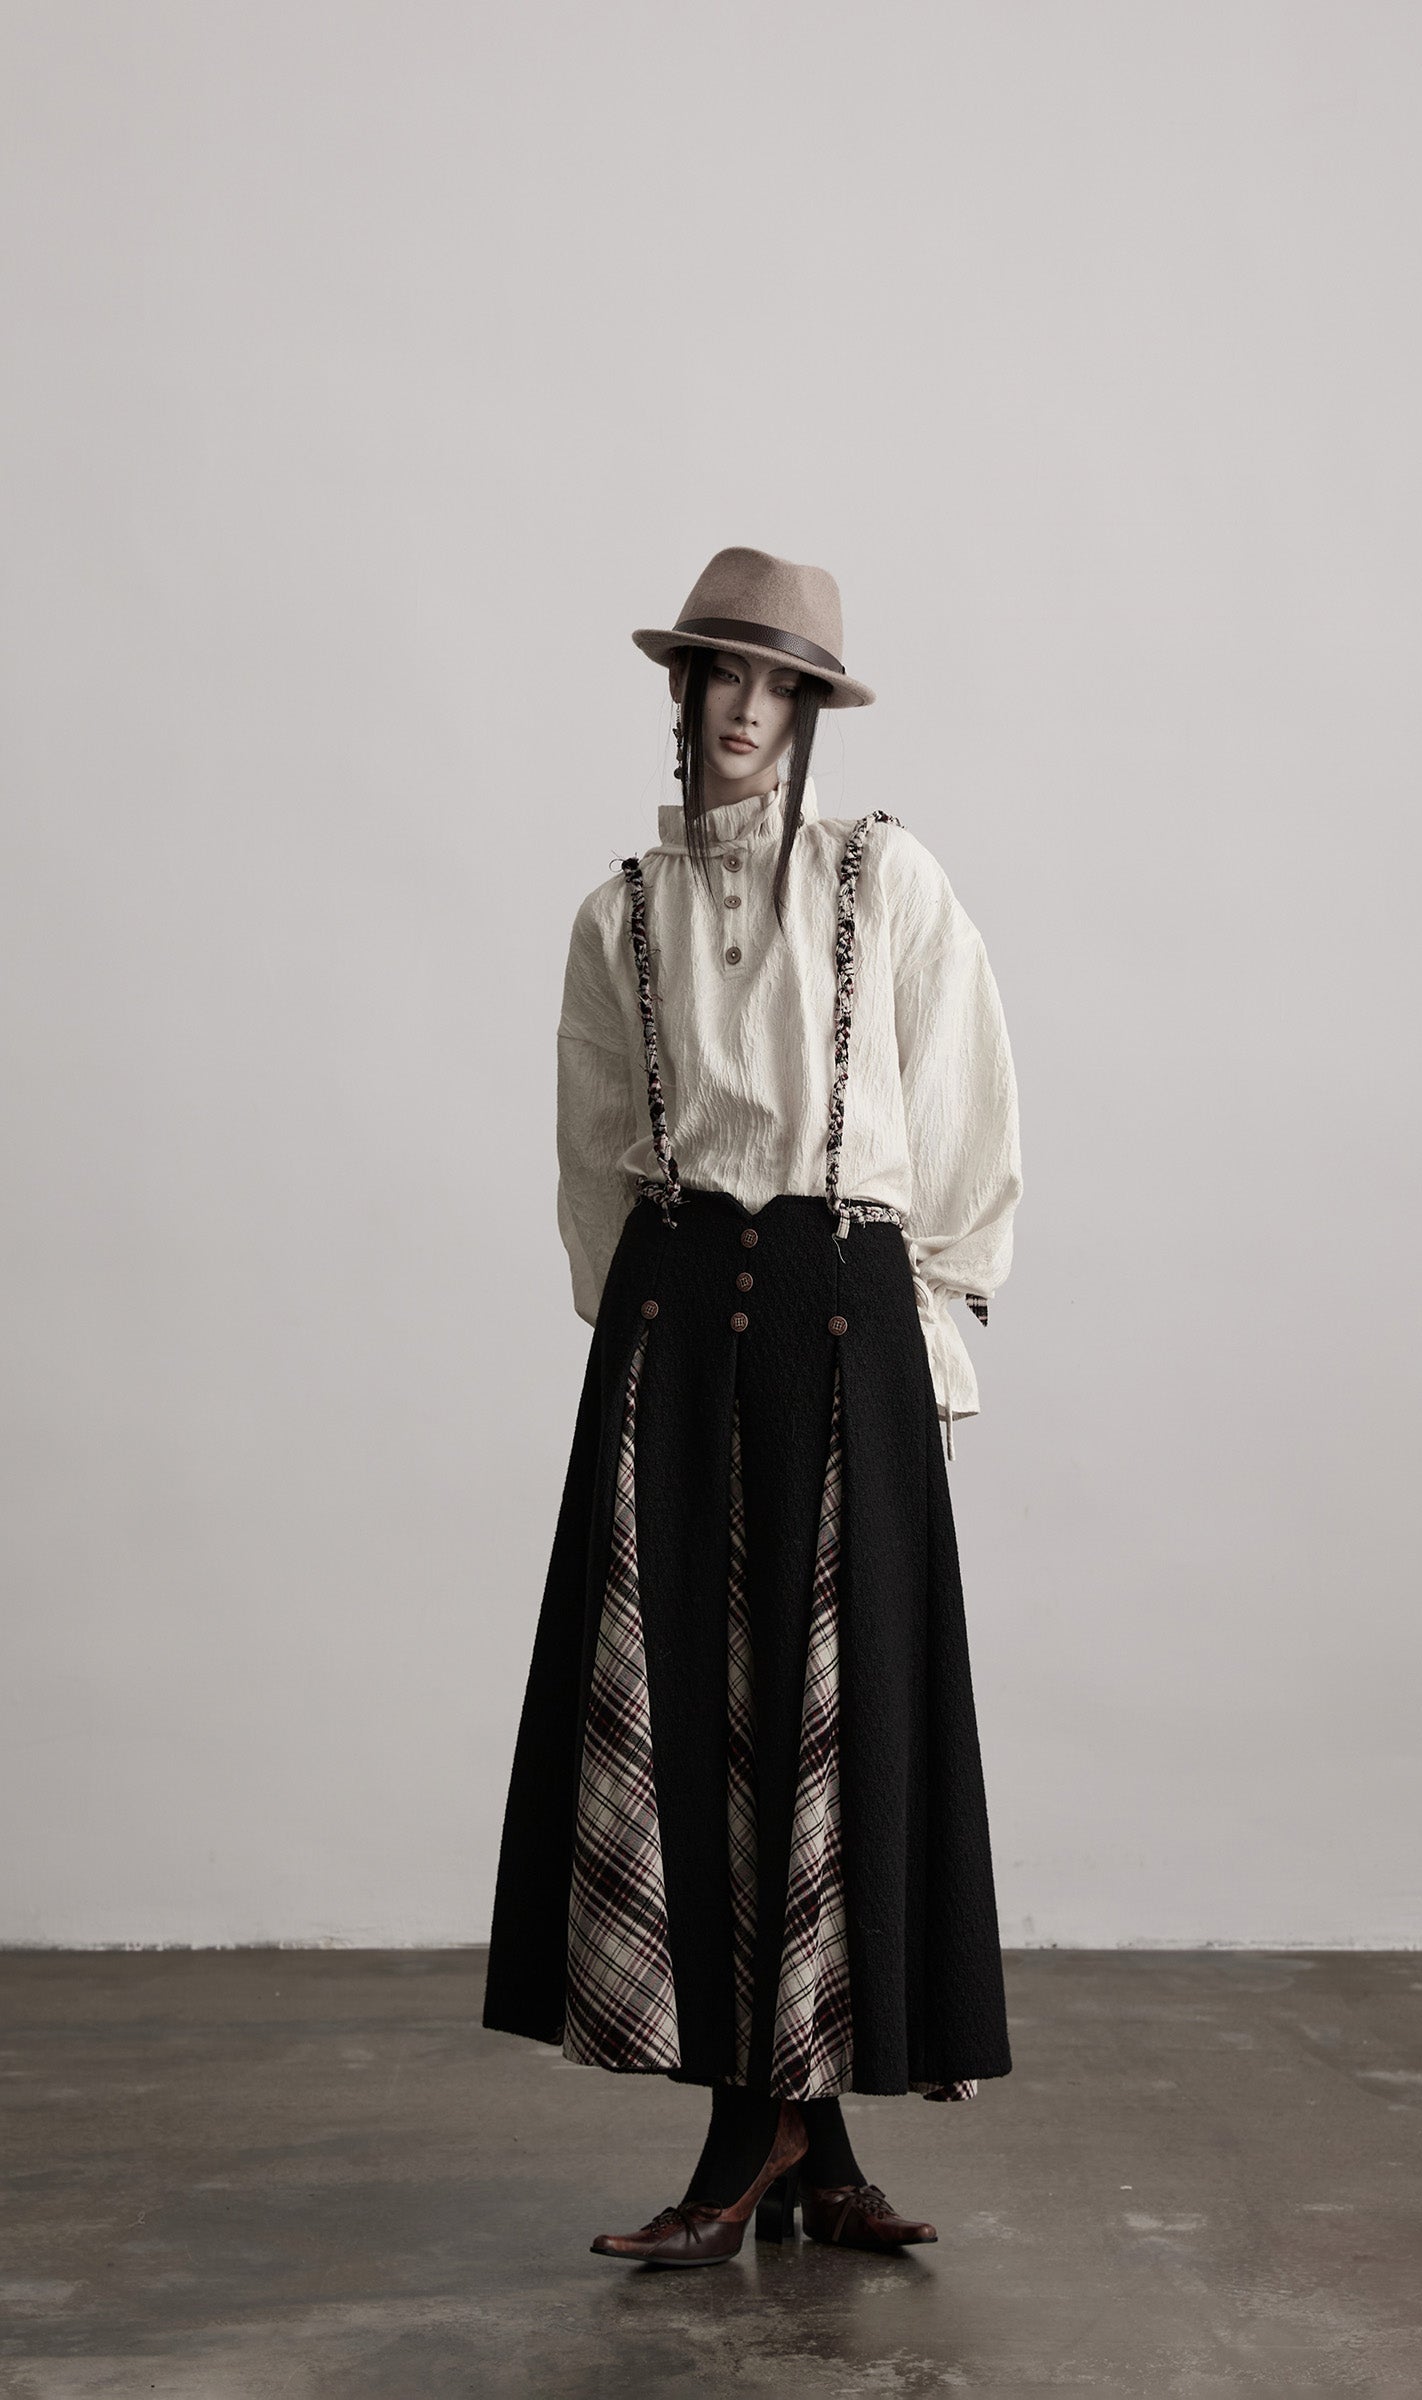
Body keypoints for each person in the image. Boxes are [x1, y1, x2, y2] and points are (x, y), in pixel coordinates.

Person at [482, 546, 1023, 2266]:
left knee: (831, 1718)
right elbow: (596, 1157)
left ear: (812, 714)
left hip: (844, 1320)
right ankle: (773, 2133)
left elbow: (965, 1107)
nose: (748, 708)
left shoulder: (887, 882)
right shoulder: (618, 917)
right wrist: (640, 1343)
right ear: (685, 688)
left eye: (782, 685)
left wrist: (931, 1341)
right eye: (726, 672)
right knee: (697, 1719)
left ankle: (792, 2135)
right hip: (678, 1332)